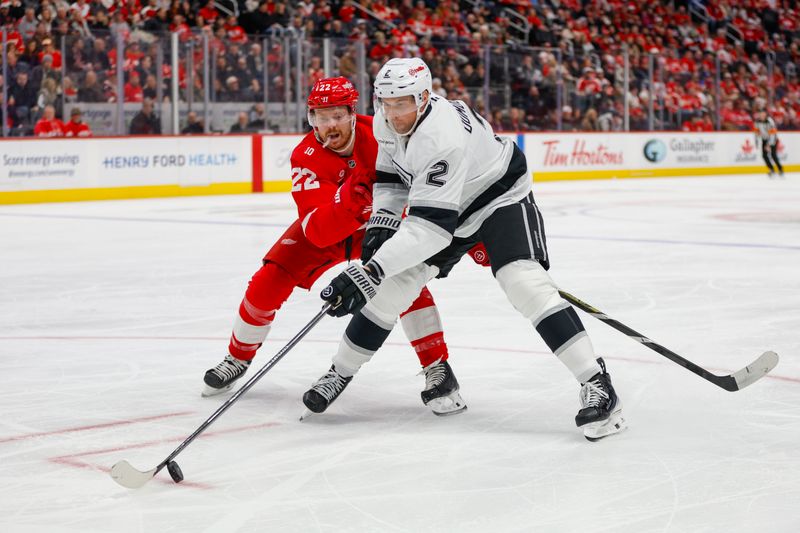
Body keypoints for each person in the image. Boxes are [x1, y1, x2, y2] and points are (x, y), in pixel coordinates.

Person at [305, 58, 627, 441]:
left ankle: (598, 383)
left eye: (403, 103)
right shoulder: (384, 120)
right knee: (395, 289)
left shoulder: (441, 137)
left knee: (522, 281)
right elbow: (391, 181)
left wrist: (371, 271)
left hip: (498, 198)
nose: (394, 113)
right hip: (451, 207)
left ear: (424, 97)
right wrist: (382, 222)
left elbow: (431, 231)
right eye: (386, 103)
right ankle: (339, 372)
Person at [202, 76, 467, 416]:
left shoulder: (384, 133)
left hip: (377, 227)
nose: (329, 126)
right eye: (320, 118)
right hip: (329, 228)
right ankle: (237, 357)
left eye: (337, 116)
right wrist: (348, 202)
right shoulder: (305, 156)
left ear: (352, 114)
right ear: (311, 118)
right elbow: (318, 232)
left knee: (406, 283)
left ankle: (438, 368)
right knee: (268, 280)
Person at [753, 109, 784, 178]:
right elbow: (756, 132)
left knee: (773, 155)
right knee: (764, 155)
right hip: (765, 139)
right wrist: (757, 141)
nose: (762, 115)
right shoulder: (757, 122)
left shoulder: (769, 121)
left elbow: (773, 134)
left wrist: (769, 144)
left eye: (763, 113)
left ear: (766, 114)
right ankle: (771, 169)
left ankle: (780, 169)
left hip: (773, 139)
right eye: (760, 114)